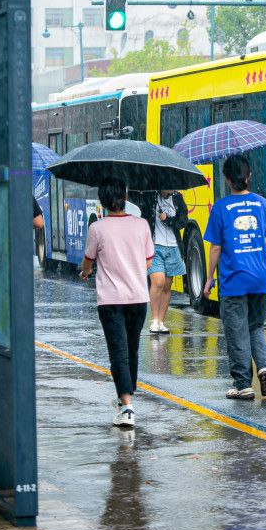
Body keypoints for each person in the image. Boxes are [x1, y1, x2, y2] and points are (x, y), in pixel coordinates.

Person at [202, 153, 266, 400]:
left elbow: (215, 248)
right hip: (260, 277)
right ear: (249, 177)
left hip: (235, 279)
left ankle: (243, 383)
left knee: (236, 330)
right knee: (255, 325)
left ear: (226, 179)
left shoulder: (221, 208)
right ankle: (265, 366)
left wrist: (209, 278)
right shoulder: (262, 204)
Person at [80, 178, 154, 429]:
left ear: (102, 200)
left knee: (118, 352)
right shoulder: (142, 225)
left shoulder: (97, 229)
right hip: (138, 299)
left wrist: (85, 272)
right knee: (131, 350)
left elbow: (88, 262)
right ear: (125, 197)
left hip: (111, 301)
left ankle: (127, 406)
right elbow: (147, 262)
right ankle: (126, 397)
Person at [140, 189, 187, 334]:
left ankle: (160, 321)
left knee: (167, 286)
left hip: (173, 247)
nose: (171, 190)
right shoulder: (150, 196)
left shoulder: (178, 198)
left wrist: (168, 219)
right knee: (158, 282)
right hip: (155, 246)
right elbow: (143, 217)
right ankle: (154, 320)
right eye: (168, 186)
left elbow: (182, 221)